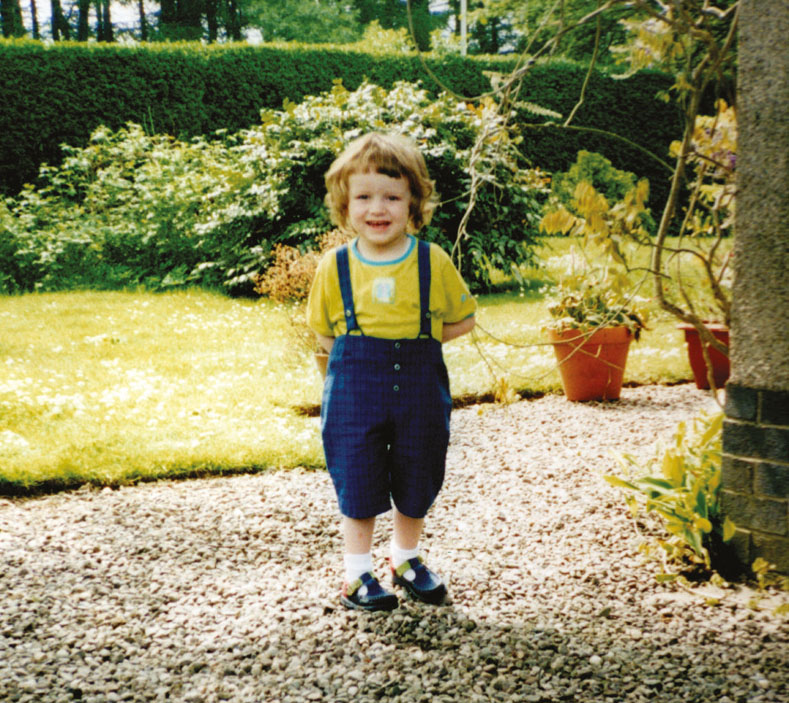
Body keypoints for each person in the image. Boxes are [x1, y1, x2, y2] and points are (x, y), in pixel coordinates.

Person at [306, 132, 477, 612]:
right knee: (358, 477)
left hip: (420, 386)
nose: (376, 209)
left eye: (391, 197)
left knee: (416, 470)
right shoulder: (334, 266)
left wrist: (419, 339)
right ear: (345, 205)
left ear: (413, 203)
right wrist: (366, 353)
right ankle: (357, 575)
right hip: (355, 390)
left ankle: (406, 560)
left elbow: (463, 318)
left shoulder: (432, 261)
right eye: (363, 197)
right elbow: (324, 332)